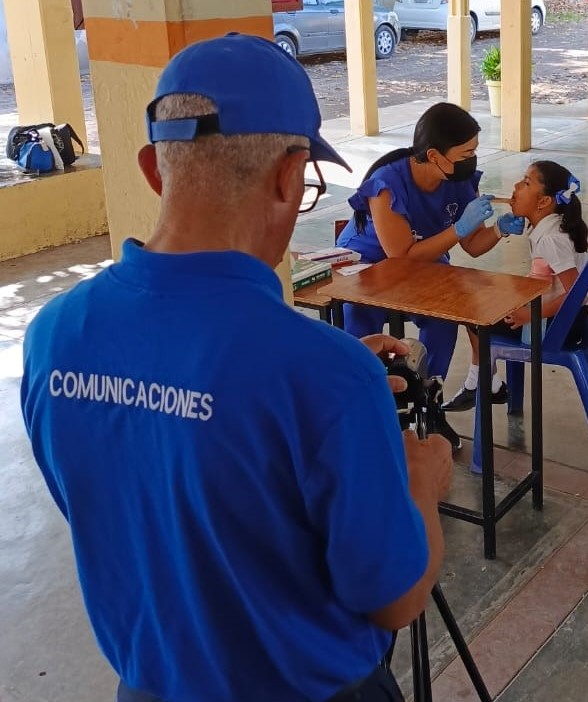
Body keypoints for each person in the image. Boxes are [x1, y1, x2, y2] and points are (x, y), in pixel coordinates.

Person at [20, 34, 452, 702]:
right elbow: (395, 602)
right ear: (288, 175)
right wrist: (420, 483)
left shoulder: (54, 337)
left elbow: (143, 477)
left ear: (153, 169)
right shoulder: (326, 378)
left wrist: (317, 402)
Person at [336, 102, 517, 384]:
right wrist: (458, 228)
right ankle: (364, 390)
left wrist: (498, 230)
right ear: (434, 155)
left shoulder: (459, 178)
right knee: (360, 310)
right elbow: (400, 256)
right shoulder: (387, 183)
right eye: (466, 152)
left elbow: (472, 244)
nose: (473, 158)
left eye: (475, 150)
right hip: (367, 259)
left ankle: (427, 393)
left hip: (423, 260)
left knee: (444, 314)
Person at [442, 161, 588, 412]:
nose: (515, 186)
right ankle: (484, 383)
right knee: (479, 301)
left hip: (556, 326)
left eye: (526, 183)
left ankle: (479, 383)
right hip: (561, 318)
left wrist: (526, 315)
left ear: (543, 202)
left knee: (473, 314)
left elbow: (577, 294)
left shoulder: (550, 239)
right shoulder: (553, 225)